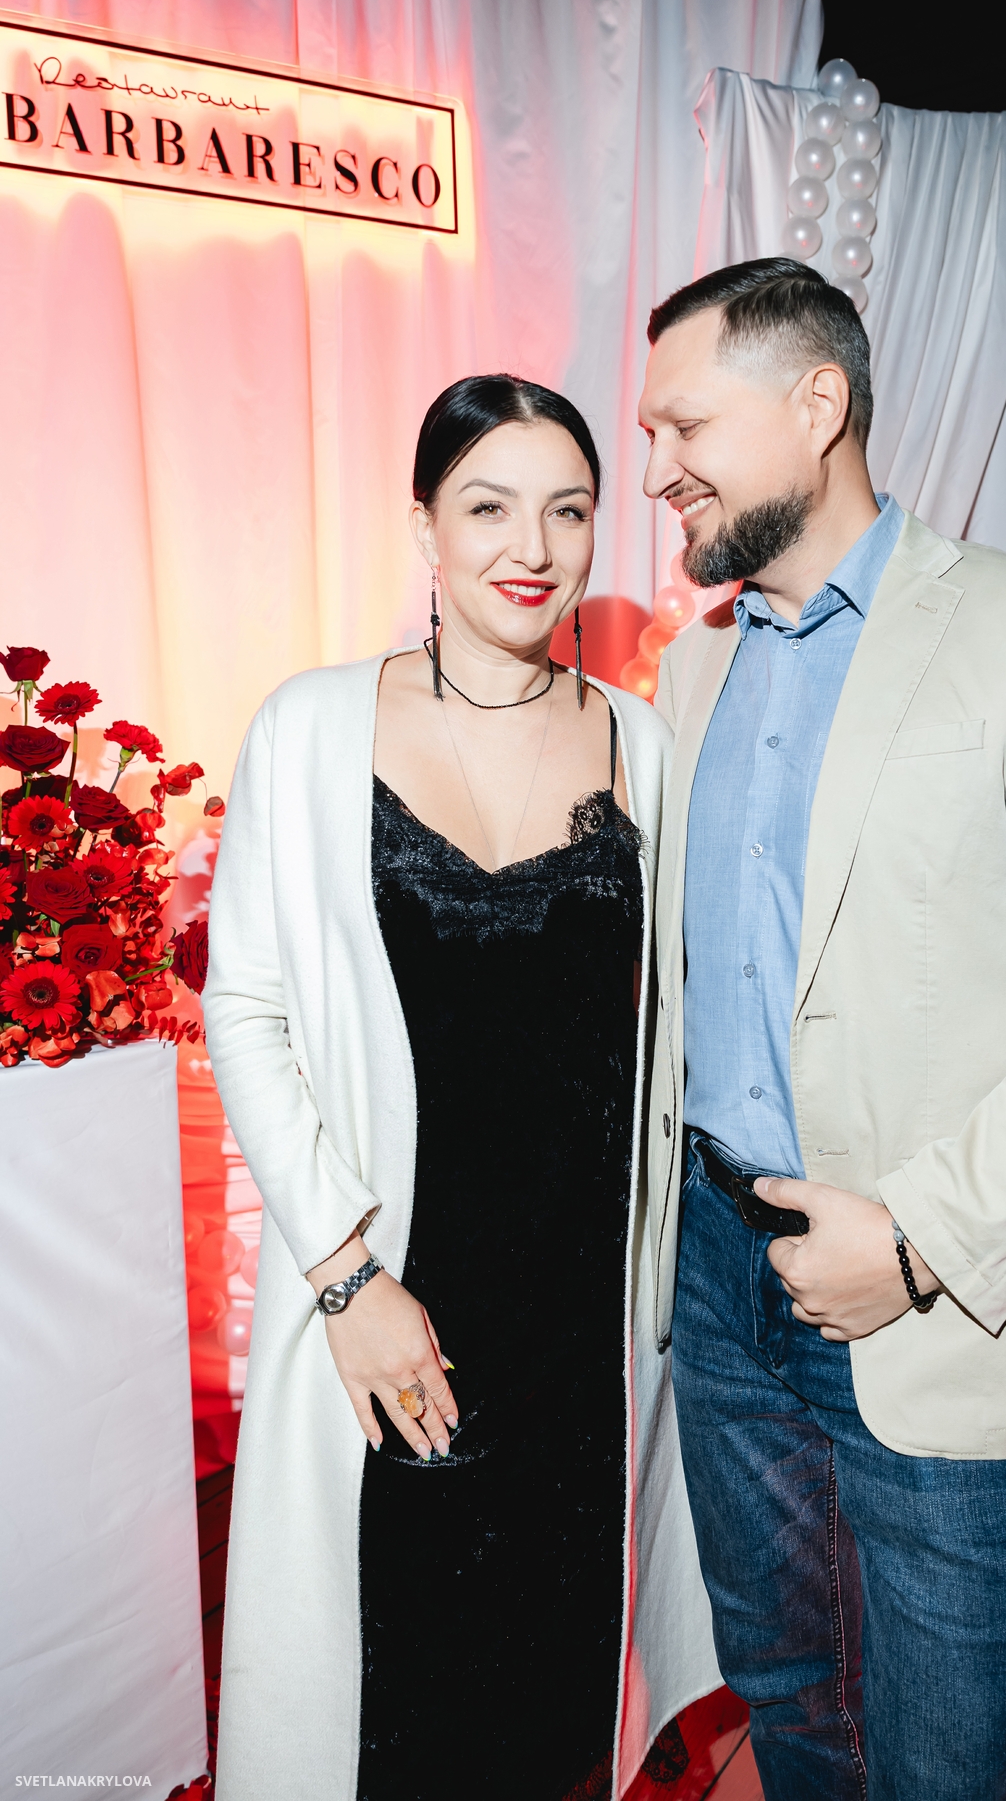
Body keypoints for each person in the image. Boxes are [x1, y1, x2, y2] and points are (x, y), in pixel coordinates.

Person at [637, 258, 1006, 1801]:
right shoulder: (695, 663)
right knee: (790, 1699)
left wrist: (914, 1241)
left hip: (927, 1296)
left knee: (948, 1765)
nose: (657, 470)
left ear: (816, 403)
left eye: (686, 425)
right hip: (719, 1279)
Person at [204, 375, 717, 1801]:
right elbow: (245, 1010)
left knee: (552, 1703)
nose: (531, 548)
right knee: (389, 1703)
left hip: (582, 1335)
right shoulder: (311, 728)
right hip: (389, 1303)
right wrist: (347, 1282)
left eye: (568, 511)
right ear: (423, 524)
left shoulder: (643, 745)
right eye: (489, 506)